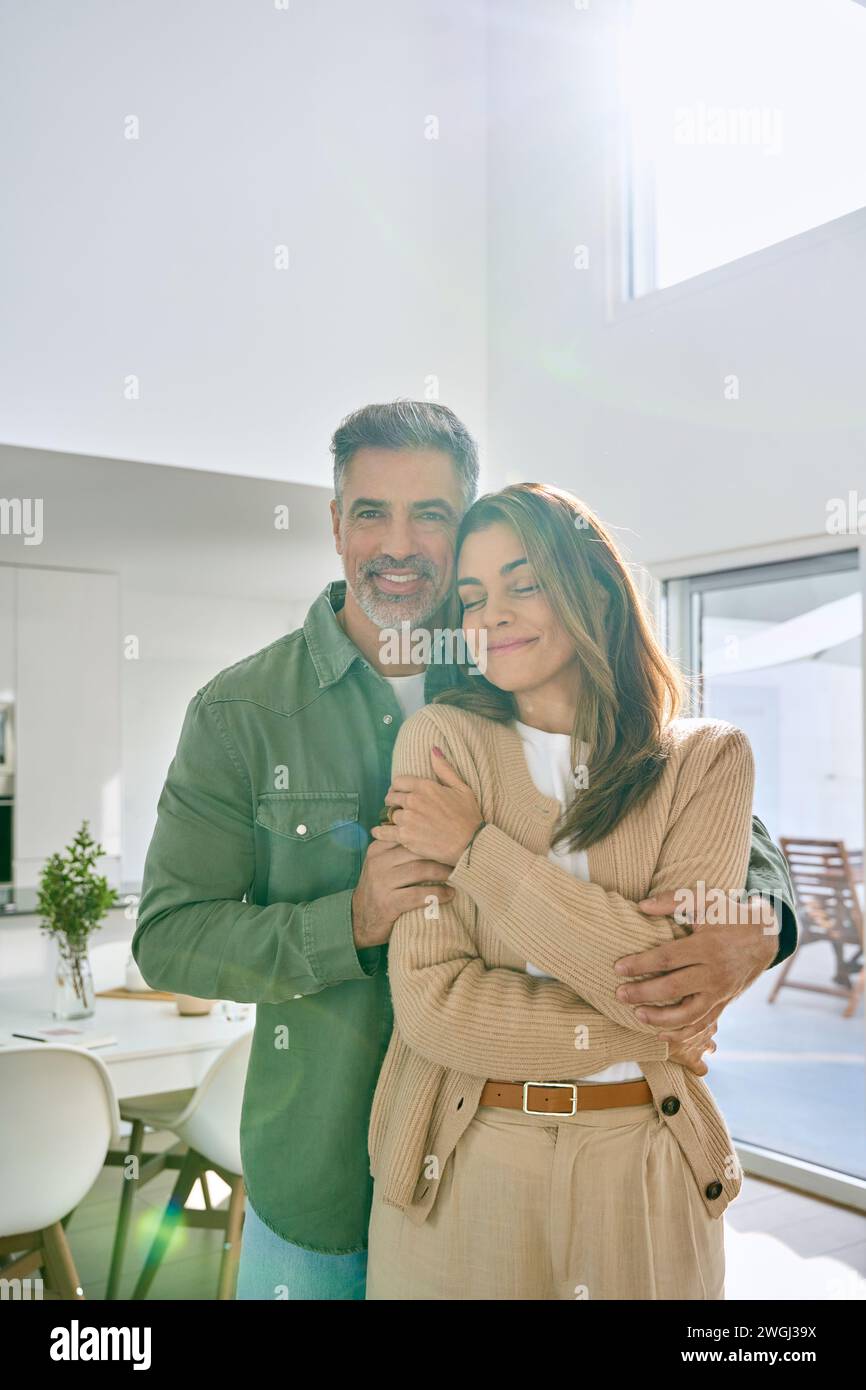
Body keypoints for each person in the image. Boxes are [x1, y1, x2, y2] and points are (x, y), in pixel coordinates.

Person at [133, 405, 797, 1300]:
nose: (398, 545)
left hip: (501, 1168)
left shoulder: (506, 658)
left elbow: (691, 796)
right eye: (370, 512)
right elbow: (170, 936)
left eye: (431, 515)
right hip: (324, 1179)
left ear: (468, 523)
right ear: (335, 524)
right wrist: (353, 922)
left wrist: (765, 918)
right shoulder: (242, 711)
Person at [366, 482, 764, 1300]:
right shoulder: (440, 743)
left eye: (525, 583)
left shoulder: (708, 760)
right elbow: (435, 1007)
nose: (493, 615)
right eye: (473, 598)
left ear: (593, 591)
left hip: (646, 1163)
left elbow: (671, 969)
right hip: (466, 1154)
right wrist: (659, 1031)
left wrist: (476, 852)